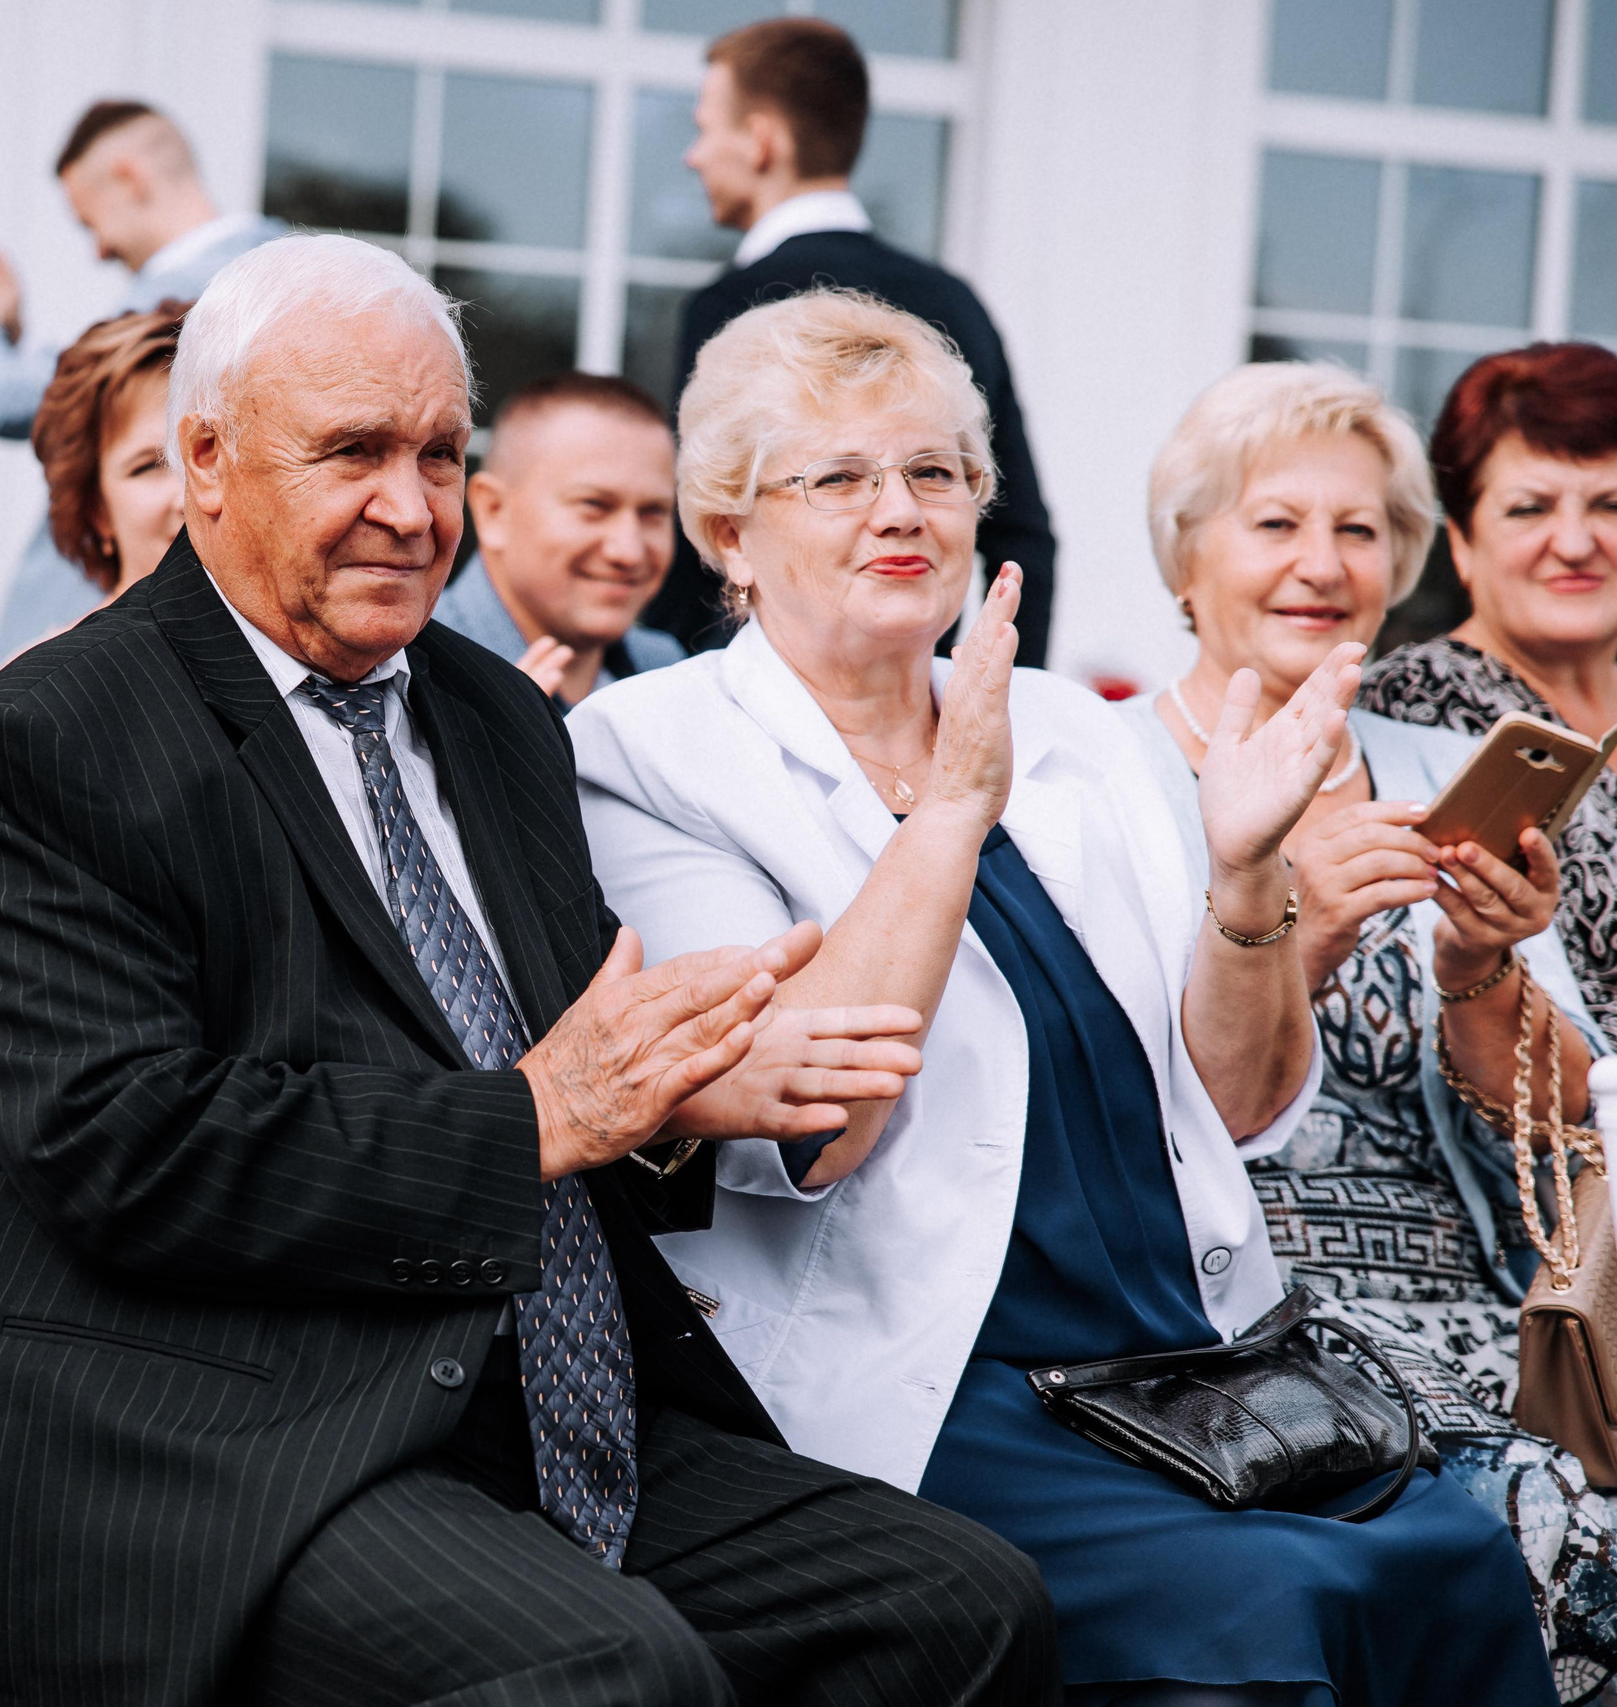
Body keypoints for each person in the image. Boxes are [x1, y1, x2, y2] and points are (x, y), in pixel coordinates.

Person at [0, 234, 1057, 1707]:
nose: (410, 506)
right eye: (353, 452)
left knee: (965, 1609)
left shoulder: (500, 718)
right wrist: (544, 1113)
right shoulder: (55, 732)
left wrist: (681, 1096)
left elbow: (586, 1074)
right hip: (220, 1433)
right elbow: (120, 1151)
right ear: (206, 461)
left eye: (441, 454)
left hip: (533, 1392)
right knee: (617, 1675)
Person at [568, 289, 1553, 1706]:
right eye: (836, 478)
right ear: (729, 532)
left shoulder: (1070, 728)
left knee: (1453, 1560)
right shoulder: (650, 753)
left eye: (935, 472)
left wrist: (1247, 872)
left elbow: (1239, 1104)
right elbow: (815, 1125)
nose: (898, 510)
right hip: (936, 1373)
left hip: (1181, 1364)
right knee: (1268, 1603)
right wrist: (948, 812)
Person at [1119, 359, 1617, 1700]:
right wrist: (1292, 934)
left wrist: (1479, 964)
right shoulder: (1106, 777)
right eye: (1276, 523)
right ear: (1188, 555)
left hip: (1509, 1306)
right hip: (1246, 1317)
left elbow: (1566, 1113)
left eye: (1358, 529)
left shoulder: (1431, 768)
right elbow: (1115, 1104)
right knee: (1595, 1558)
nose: (1322, 563)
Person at [658, 17, 1053, 662]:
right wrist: (1000, 688)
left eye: (705, 129)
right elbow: (1024, 534)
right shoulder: (956, 300)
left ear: (761, 140)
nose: (693, 155)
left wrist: (693, 680)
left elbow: (698, 531)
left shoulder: (730, 306)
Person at [0, 99, 283, 659]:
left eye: (88, 222)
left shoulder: (206, 287)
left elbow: (8, 399)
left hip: (105, 643)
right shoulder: (278, 267)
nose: (98, 250)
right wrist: (7, 332)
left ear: (130, 178)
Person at [1357, 344, 1617, 1064]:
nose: (1575, 542)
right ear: (1461, 542)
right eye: (1530, 508)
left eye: (1613, 504)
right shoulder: (1408, 711)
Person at [433, 370, 687, 708]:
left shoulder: (665, 672)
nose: (628, 552)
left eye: (653, 512)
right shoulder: (407, 671)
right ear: (493, 510)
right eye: (593, 505)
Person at [31, 302, 187, 605]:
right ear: (96, 510)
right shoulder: (76, 641)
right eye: (147, 467)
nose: (188, 496)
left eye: (209, 449)